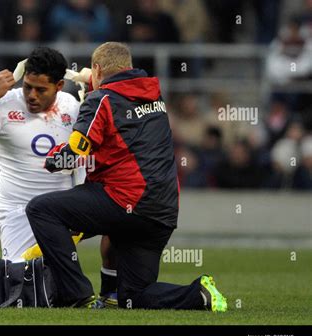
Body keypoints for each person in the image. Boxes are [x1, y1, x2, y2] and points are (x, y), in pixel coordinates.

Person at [25, 42, 228, 310]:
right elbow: (123, 109)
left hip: (125, 201)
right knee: (134, 296)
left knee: (42, 210)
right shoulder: (154, 97)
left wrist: (51, 161)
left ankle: (76, 292)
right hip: (160, 213)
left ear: (96, 68)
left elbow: (74, 153)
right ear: (128, 67)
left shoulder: (102, 100)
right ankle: (200, 294)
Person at [0, 47, 117, 304]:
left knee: (122, 216)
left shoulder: (72, 105)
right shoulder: (5, 103)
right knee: (25, 287)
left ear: (59, 85)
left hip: (66, 210)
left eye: (41, 90)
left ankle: (112, 293)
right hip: (19, 211)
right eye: (27, 86)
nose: (31, 95)